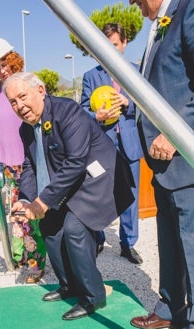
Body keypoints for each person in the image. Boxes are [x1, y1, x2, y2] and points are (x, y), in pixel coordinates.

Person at [5, 72, 134, 320]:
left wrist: (43, 201)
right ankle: (70, 286)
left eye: (23, 96)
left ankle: (93, 296)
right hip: (71, 181)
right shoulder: (26, 129)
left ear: (40, 90)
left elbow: (76, 162)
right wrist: (24, 199)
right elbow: (31, 165)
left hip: (98, 177)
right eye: (13, 102)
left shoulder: (68, 111)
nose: (19, 106)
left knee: (74, 228)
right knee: (50, 225)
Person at [128, 1, 194, 329]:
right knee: (169, 244)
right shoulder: (159, 26)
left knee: (193, 248)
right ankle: (170, 311)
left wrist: (177, 132)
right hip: (162, 166)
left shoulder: (189, 9)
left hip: (184, 158)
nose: (138, 9)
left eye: (138, 2)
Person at [0, 37, 46, 284]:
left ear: (13, 60)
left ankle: (35, 263)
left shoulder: (29, 82)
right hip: (6, 161)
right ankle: (21, 255)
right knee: (15, 215)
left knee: (32, 213)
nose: (2, 70)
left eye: (4, 64)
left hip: (29, 157)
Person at [81, 23, 143, 264]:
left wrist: (128, 104)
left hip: (129, 142)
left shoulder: (136, 71)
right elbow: (83, 110)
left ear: (124, 43)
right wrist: (96, 116)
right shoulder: (90, 76)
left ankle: (128, 244)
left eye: (114, 44)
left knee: (132, 195)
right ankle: (97, 237)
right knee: (99, 192)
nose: (110, 49)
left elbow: (147, 106)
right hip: (101, 143)